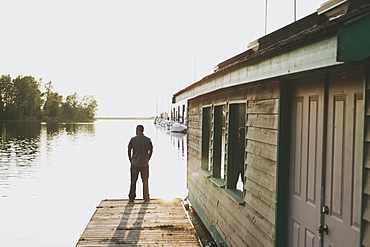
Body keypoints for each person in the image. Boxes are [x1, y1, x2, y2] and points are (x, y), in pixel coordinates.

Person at [127, 124, 153, 202]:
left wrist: (130, 159)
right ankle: (146, 197)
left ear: (137, 130)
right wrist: (147, 159)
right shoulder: (147, 139)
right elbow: (151, 150)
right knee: (145, 181)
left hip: (135, 163)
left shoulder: (133, 139)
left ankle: (132, 197)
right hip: (144, 163)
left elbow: (129, 150)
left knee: (133, 181)